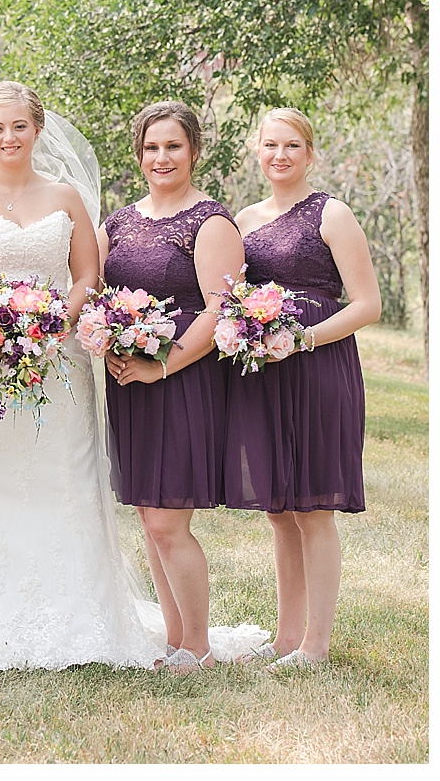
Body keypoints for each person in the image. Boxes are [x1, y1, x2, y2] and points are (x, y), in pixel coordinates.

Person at [0, 82, 261, 668]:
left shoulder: (68, 196)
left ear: (38, 130)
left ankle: (82, 615)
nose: (8, 138)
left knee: (64, 480)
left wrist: (54, 323)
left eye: (19, 127)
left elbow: (87, 279)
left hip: (59, 363)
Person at [227, 108, 378, 667]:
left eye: (292, 145)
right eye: (270, 145)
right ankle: (285, 637)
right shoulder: (243, 219)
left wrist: (304, 339)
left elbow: (367, 304)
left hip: (317, 366)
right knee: (277, 509)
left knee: (312, 507)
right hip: (265, 370)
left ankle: (316, 645)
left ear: (310, 153)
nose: (281, 155)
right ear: (257, 151)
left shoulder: (332, 214)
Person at [99, 101, 244, 672]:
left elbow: (220, 313)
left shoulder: (210, 223)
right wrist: (108, 342)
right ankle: (176, 639)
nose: (162, 157)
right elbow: (98, 295)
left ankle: (199, 645)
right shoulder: (118, 222)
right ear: (138, 155)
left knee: (167, 520)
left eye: (173, 146)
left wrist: (160, 366)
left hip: (182, 380)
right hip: (127, 382)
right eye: (152, 147)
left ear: (194, 151)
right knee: (147, 514)